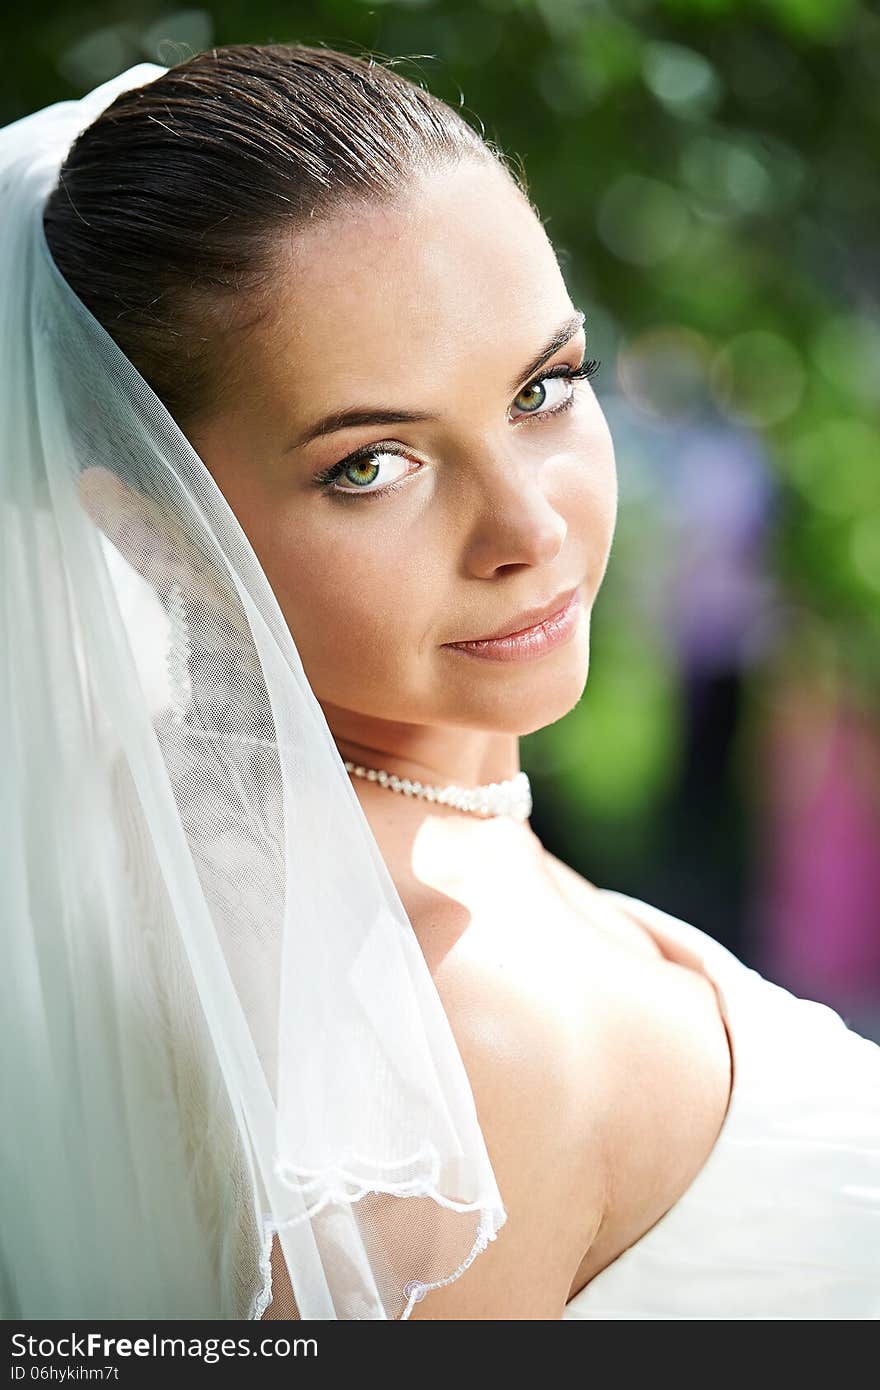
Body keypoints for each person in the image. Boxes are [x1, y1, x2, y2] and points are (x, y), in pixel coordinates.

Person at [2, 43, 878, 1322]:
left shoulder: (281, 852)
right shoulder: (436, 1051)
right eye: (373, 463)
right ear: (156, 530)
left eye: (543, 387)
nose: (527, 526)